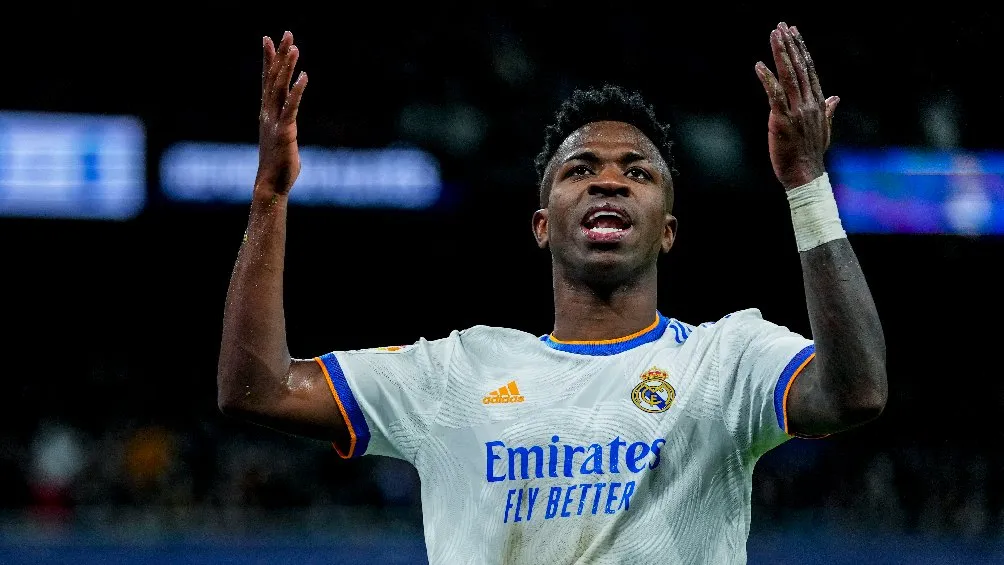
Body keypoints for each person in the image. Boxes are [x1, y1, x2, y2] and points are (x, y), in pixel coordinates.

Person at [217, 22, 887, 565]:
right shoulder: (455, 373)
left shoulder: (727, 360)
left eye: (638, 173)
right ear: (542, 225)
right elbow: (257, 388)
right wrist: (269, 197)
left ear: (668, 231)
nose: (609, 181)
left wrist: (806, 185)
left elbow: (855, 391)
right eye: (580, 169)